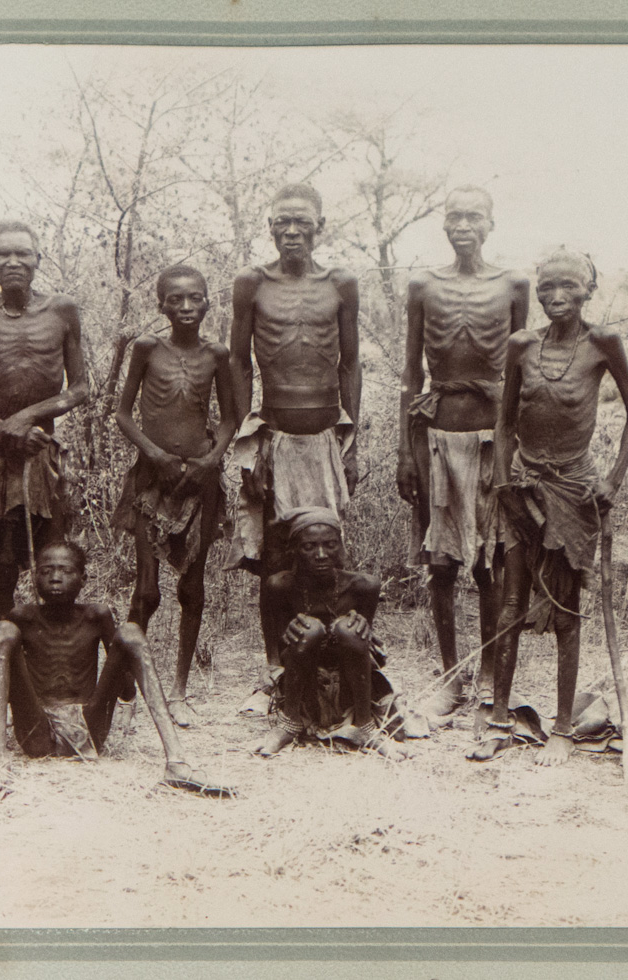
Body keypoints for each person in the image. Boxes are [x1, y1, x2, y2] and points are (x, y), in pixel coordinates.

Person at [470, 247, 628, 764]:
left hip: (574, 487)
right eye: (546, 287)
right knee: (511, 602)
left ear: (590, 290)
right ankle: (500, 719)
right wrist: (504, 482)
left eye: (568, 286)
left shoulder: (603, 343)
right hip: (521, 486)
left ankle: (564, 729)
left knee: (567, 609)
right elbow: (504, 422)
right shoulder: (521, 344)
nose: (556, 296)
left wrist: (612, 480)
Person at [398, 185, 529, 718]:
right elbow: (411, 371)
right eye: (454, 217)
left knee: (492, 560)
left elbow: (521, 367)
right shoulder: (424, 284)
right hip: (437, 434)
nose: (463, 226)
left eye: (473, 216)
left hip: (493, 437)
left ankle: (493, 670)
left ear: (491, 223)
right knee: (443, 560)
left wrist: (517, 447)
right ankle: (451, 674)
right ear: (443, 224)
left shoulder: (514, 283)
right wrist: (405, 452)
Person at [229, 184, 361, 712]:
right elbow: (239, 361)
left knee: (324, 553)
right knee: (273, 563)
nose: (291, 232)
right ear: (270, 228)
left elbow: (350, 363)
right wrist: (248, 442)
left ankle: (326, 666)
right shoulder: (252, 283)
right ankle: (275, 672)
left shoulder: (341, 283)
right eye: (282, 222)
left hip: (327, 434)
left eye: (301, 223)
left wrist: (351, 441)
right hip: (274, 435)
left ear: (319, 226)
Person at [0, 541, 235, 797]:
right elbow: (9, 685)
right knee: (3, 630)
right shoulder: (23, 617)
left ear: (83, 578)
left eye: (65, 571)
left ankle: (177, 763)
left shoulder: (96, 616)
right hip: (36, 732)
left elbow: (123, 677)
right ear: (34, 576)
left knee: (130, 631)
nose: (54, 578)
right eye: (46, 571)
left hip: (90, 727)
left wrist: (128, 701)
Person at [113, 265, 237, 727]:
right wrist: (155, 454)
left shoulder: (217, 354)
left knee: (192, 586)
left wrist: (211, 460)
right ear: (161, 305)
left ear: (208, 302)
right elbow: (123, 412)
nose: (186, 308)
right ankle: (128, 677)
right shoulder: (147, 348)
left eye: (195, 299)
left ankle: (181, 690)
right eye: (176, 300)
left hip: (200, 481)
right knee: (147, 590)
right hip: (153, 479)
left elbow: (230, 417)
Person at [0, 220, 89, 624]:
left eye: (23, 253)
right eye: (3, 254)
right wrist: (2, 429)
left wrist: (28, 417)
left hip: (43, 446)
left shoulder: (62, 308)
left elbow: (81, 388)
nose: (14, 261)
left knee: (52, 556)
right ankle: (5, 662)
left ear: (39, 259)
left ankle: (50, 656)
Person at [254, 509, 408, 761]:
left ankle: (365, 726)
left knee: (348, 628)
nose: (321, 555)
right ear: (294, 550)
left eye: (330, 545)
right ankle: (289, 723)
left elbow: (363, 647)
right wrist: (296, 631)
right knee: (309, 629)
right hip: (303, 686)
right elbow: (281, 651)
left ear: (340, 547)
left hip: (350, 683)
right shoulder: (280, 586)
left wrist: (354, 627)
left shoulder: (364, 586)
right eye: (309, 547)